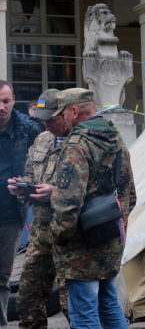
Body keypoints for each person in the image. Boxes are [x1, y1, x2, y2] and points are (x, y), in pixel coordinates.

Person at [49, 88, 136, 329]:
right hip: (111, 235)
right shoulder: (115, 138)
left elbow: (68, 204)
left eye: (62, 113)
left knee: (84, 311)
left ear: (74, 111)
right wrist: (119, 230)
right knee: (109, 304)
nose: (62, 119)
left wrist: (58, 237)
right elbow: (130, 193)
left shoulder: (76, 144)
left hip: (81, 245)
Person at [7, 89, 70, 329]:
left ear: (66, 114)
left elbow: (91, 188)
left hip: (69, 235)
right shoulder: (42, 139)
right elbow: (32, 173)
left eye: (51, 120)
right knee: (27, 301)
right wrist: (23, 188)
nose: (46, 126)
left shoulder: (81, 141)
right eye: (42, 120)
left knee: (71, 304)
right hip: (41, 235)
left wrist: (55, 192)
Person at [0, 80, 41, 328]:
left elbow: (42, 169)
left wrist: (27, 183)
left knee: (3, 276)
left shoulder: (29, 129)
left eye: (5, 101)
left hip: (10, 214)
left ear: (14, 100)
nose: (1, 106)